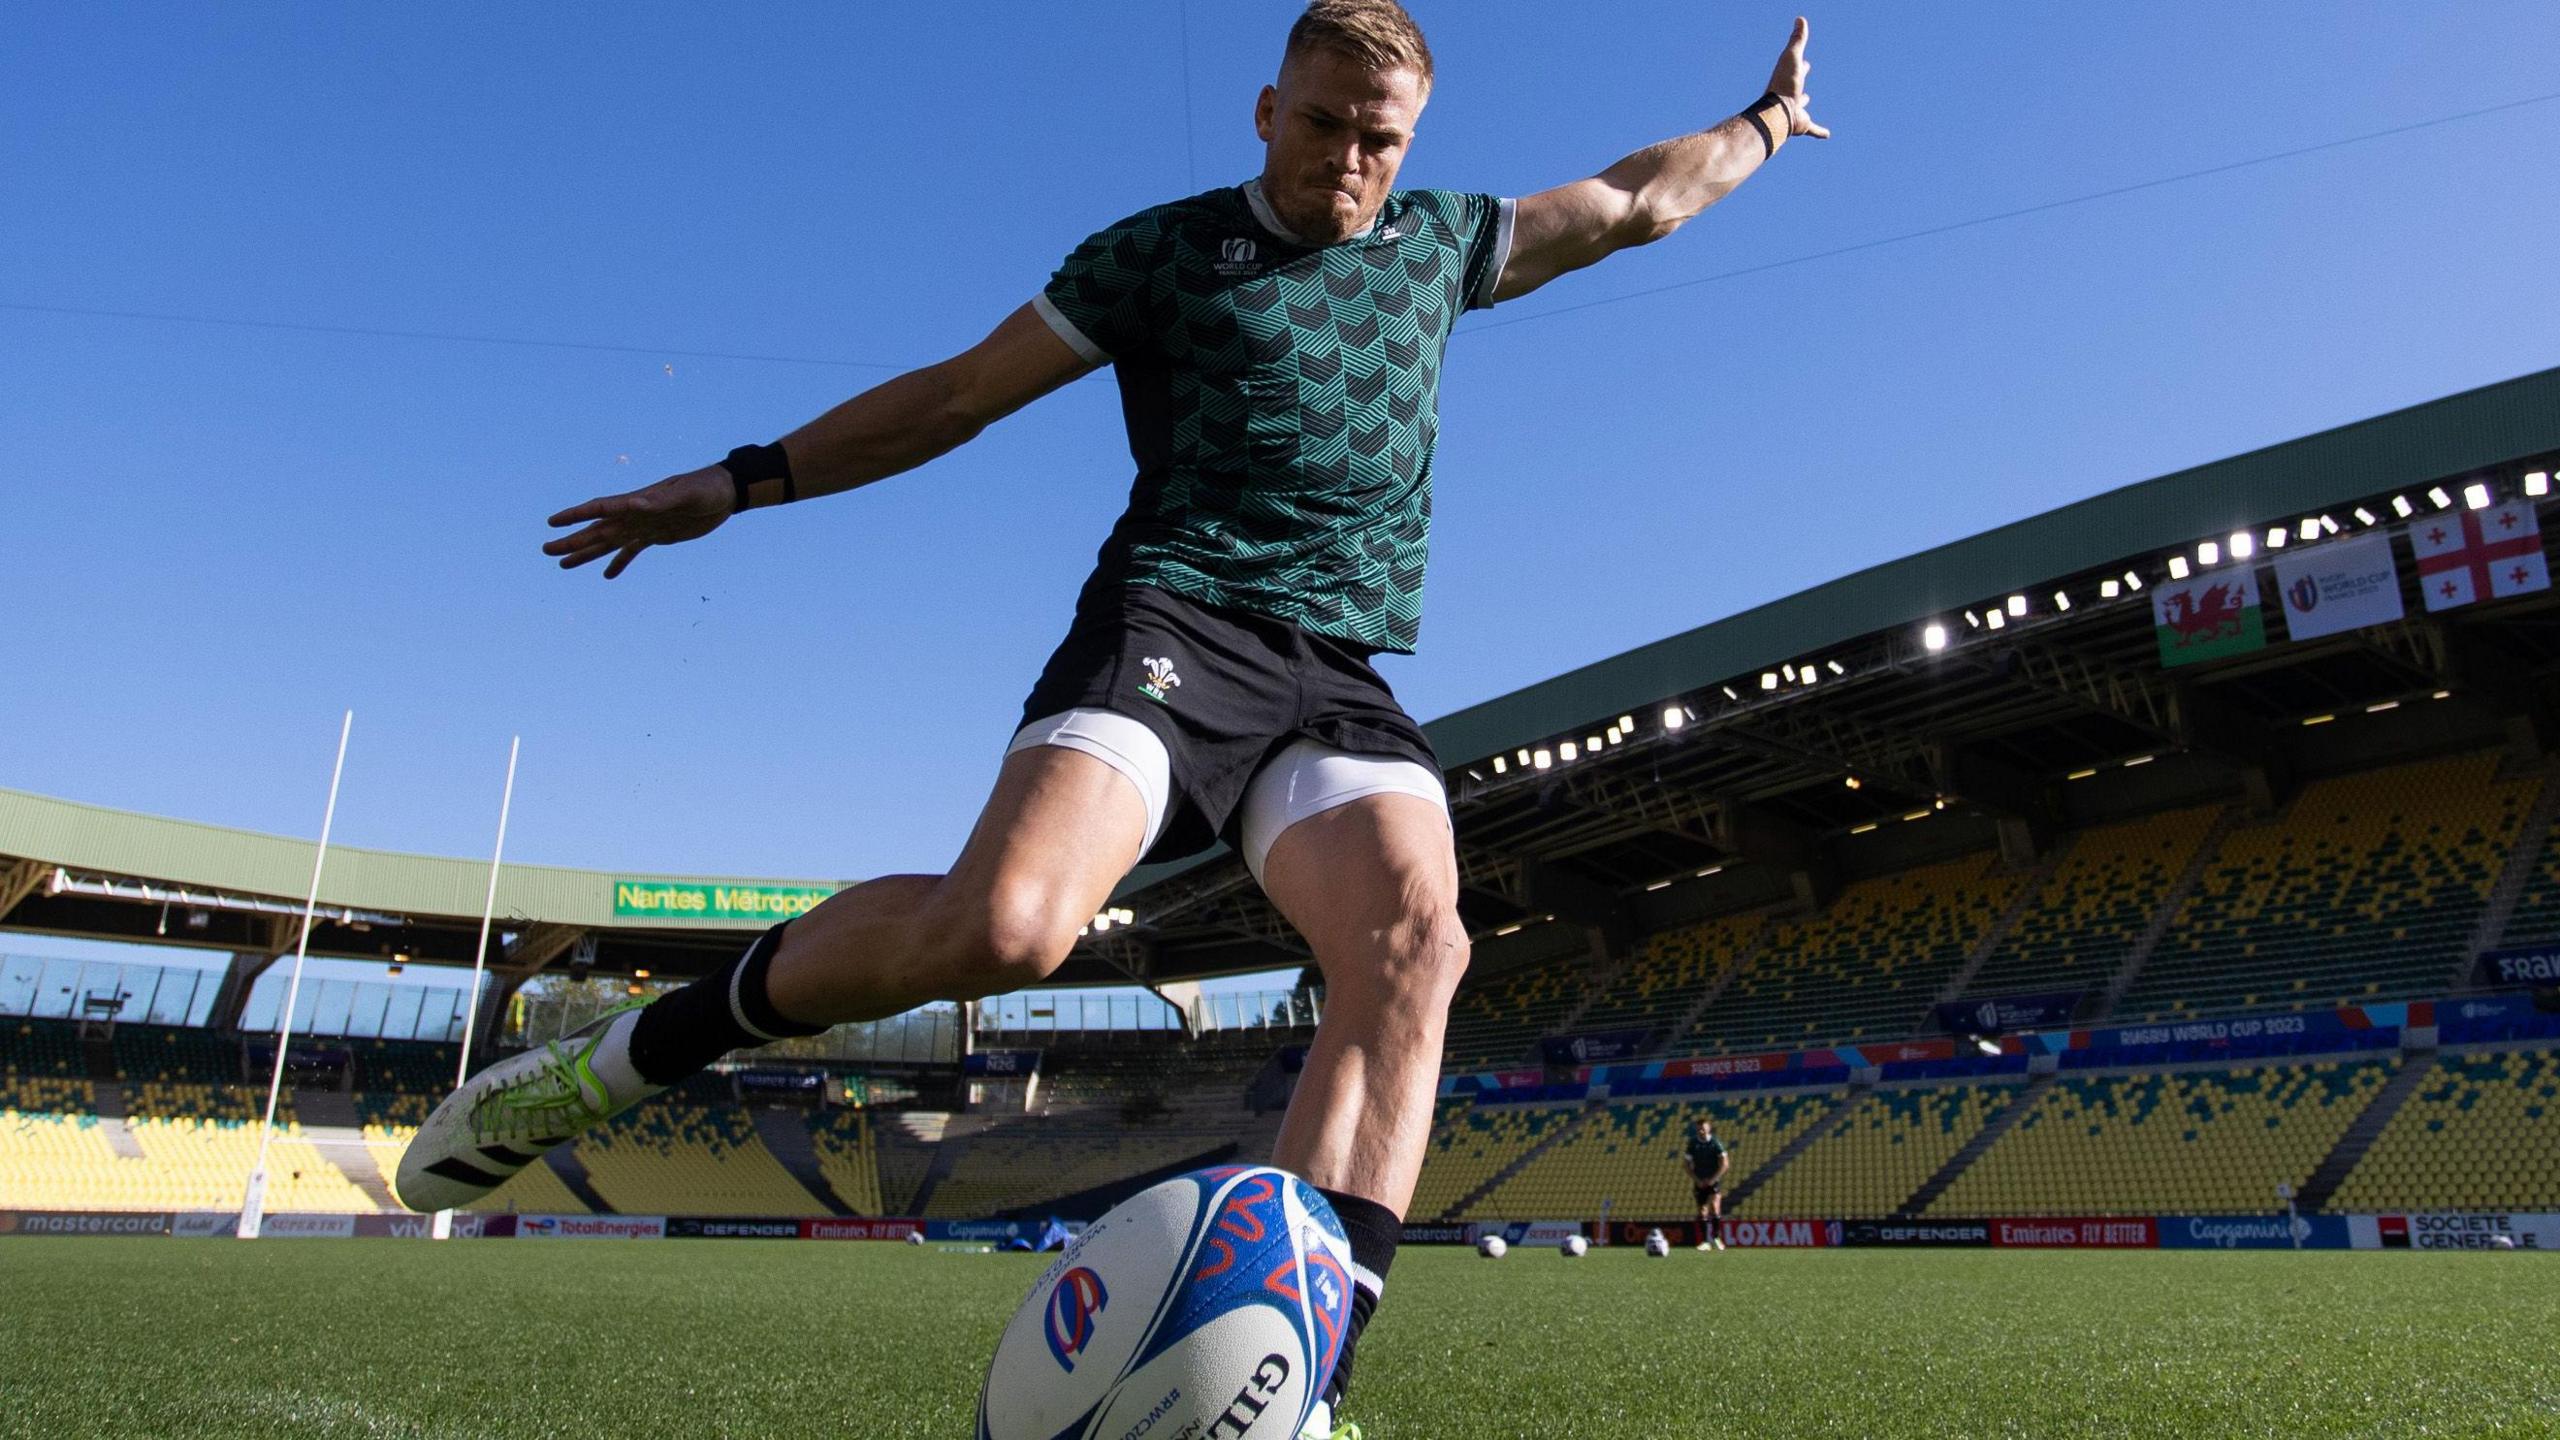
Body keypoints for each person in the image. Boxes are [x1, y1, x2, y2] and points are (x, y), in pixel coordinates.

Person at [397, 5, 1826, 1433]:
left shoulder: (1443, 244)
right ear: (1267, 111)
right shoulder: (1162, 253)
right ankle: (629, 1057)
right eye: (1321, 122)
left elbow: (1645, 198)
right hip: (1172, 627)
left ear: (1412, 143)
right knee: (1009, 931)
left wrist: (1764, 122)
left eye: (1378, 138)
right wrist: (740, 478)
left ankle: (1310, 1379)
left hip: (1336, 676)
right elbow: (957, 397)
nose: (1346, 157)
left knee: (1415, 938)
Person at [1683, 1115, 1731, 1250]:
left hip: (1713, 1180)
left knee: (1715, 1207)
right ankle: (1705, 1242)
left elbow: (1725, 1164)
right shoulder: (1693, 1143)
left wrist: (1713, 1179)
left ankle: (1716, 1238)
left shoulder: (1716, 1143)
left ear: (1709, 1129)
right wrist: (1697, 1180)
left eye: (1703, 1129)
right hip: (1699, 1181)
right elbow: (1686, 1164)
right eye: (1698, 1129)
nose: (1701, 1131)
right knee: (1702, 1211)